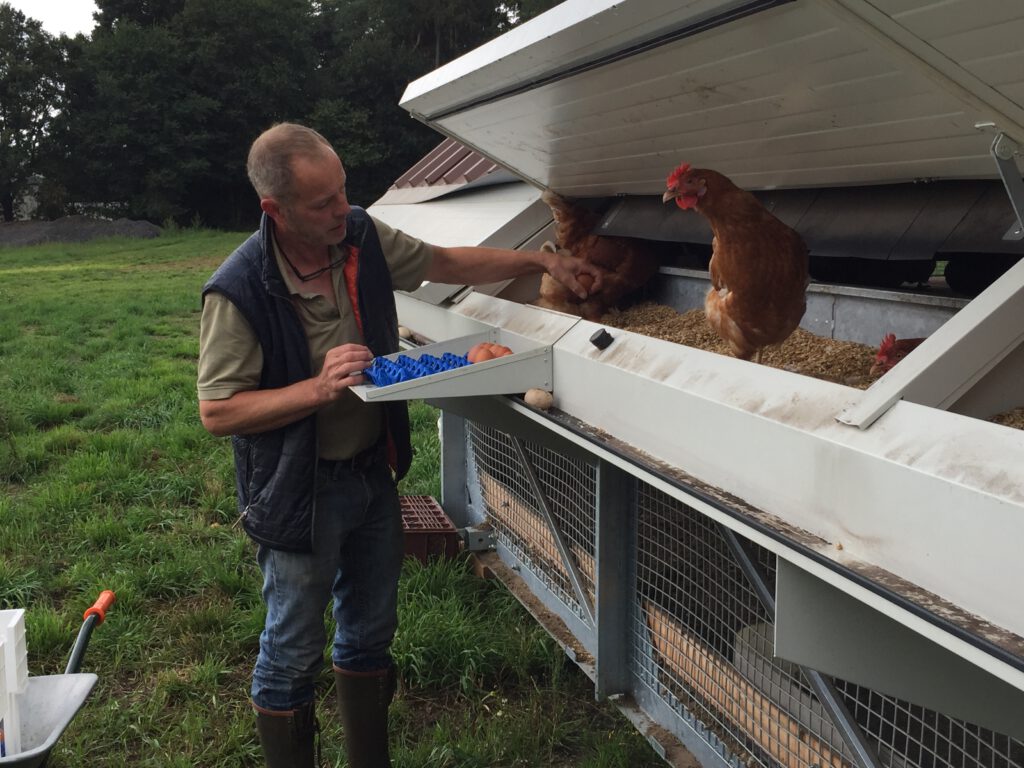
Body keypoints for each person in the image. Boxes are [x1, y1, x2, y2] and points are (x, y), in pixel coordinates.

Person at [197, 122, 603, 768]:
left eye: (343, 191)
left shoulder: (357, 234)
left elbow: (446, 263)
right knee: (291, 651)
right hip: (300, 494)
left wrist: (542, 261)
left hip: (371, 477)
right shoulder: (239, 288)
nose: (342, 210)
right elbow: (217, 410)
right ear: (274, 210)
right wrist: (316, 388)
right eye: (323, 203)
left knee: (370, 635)